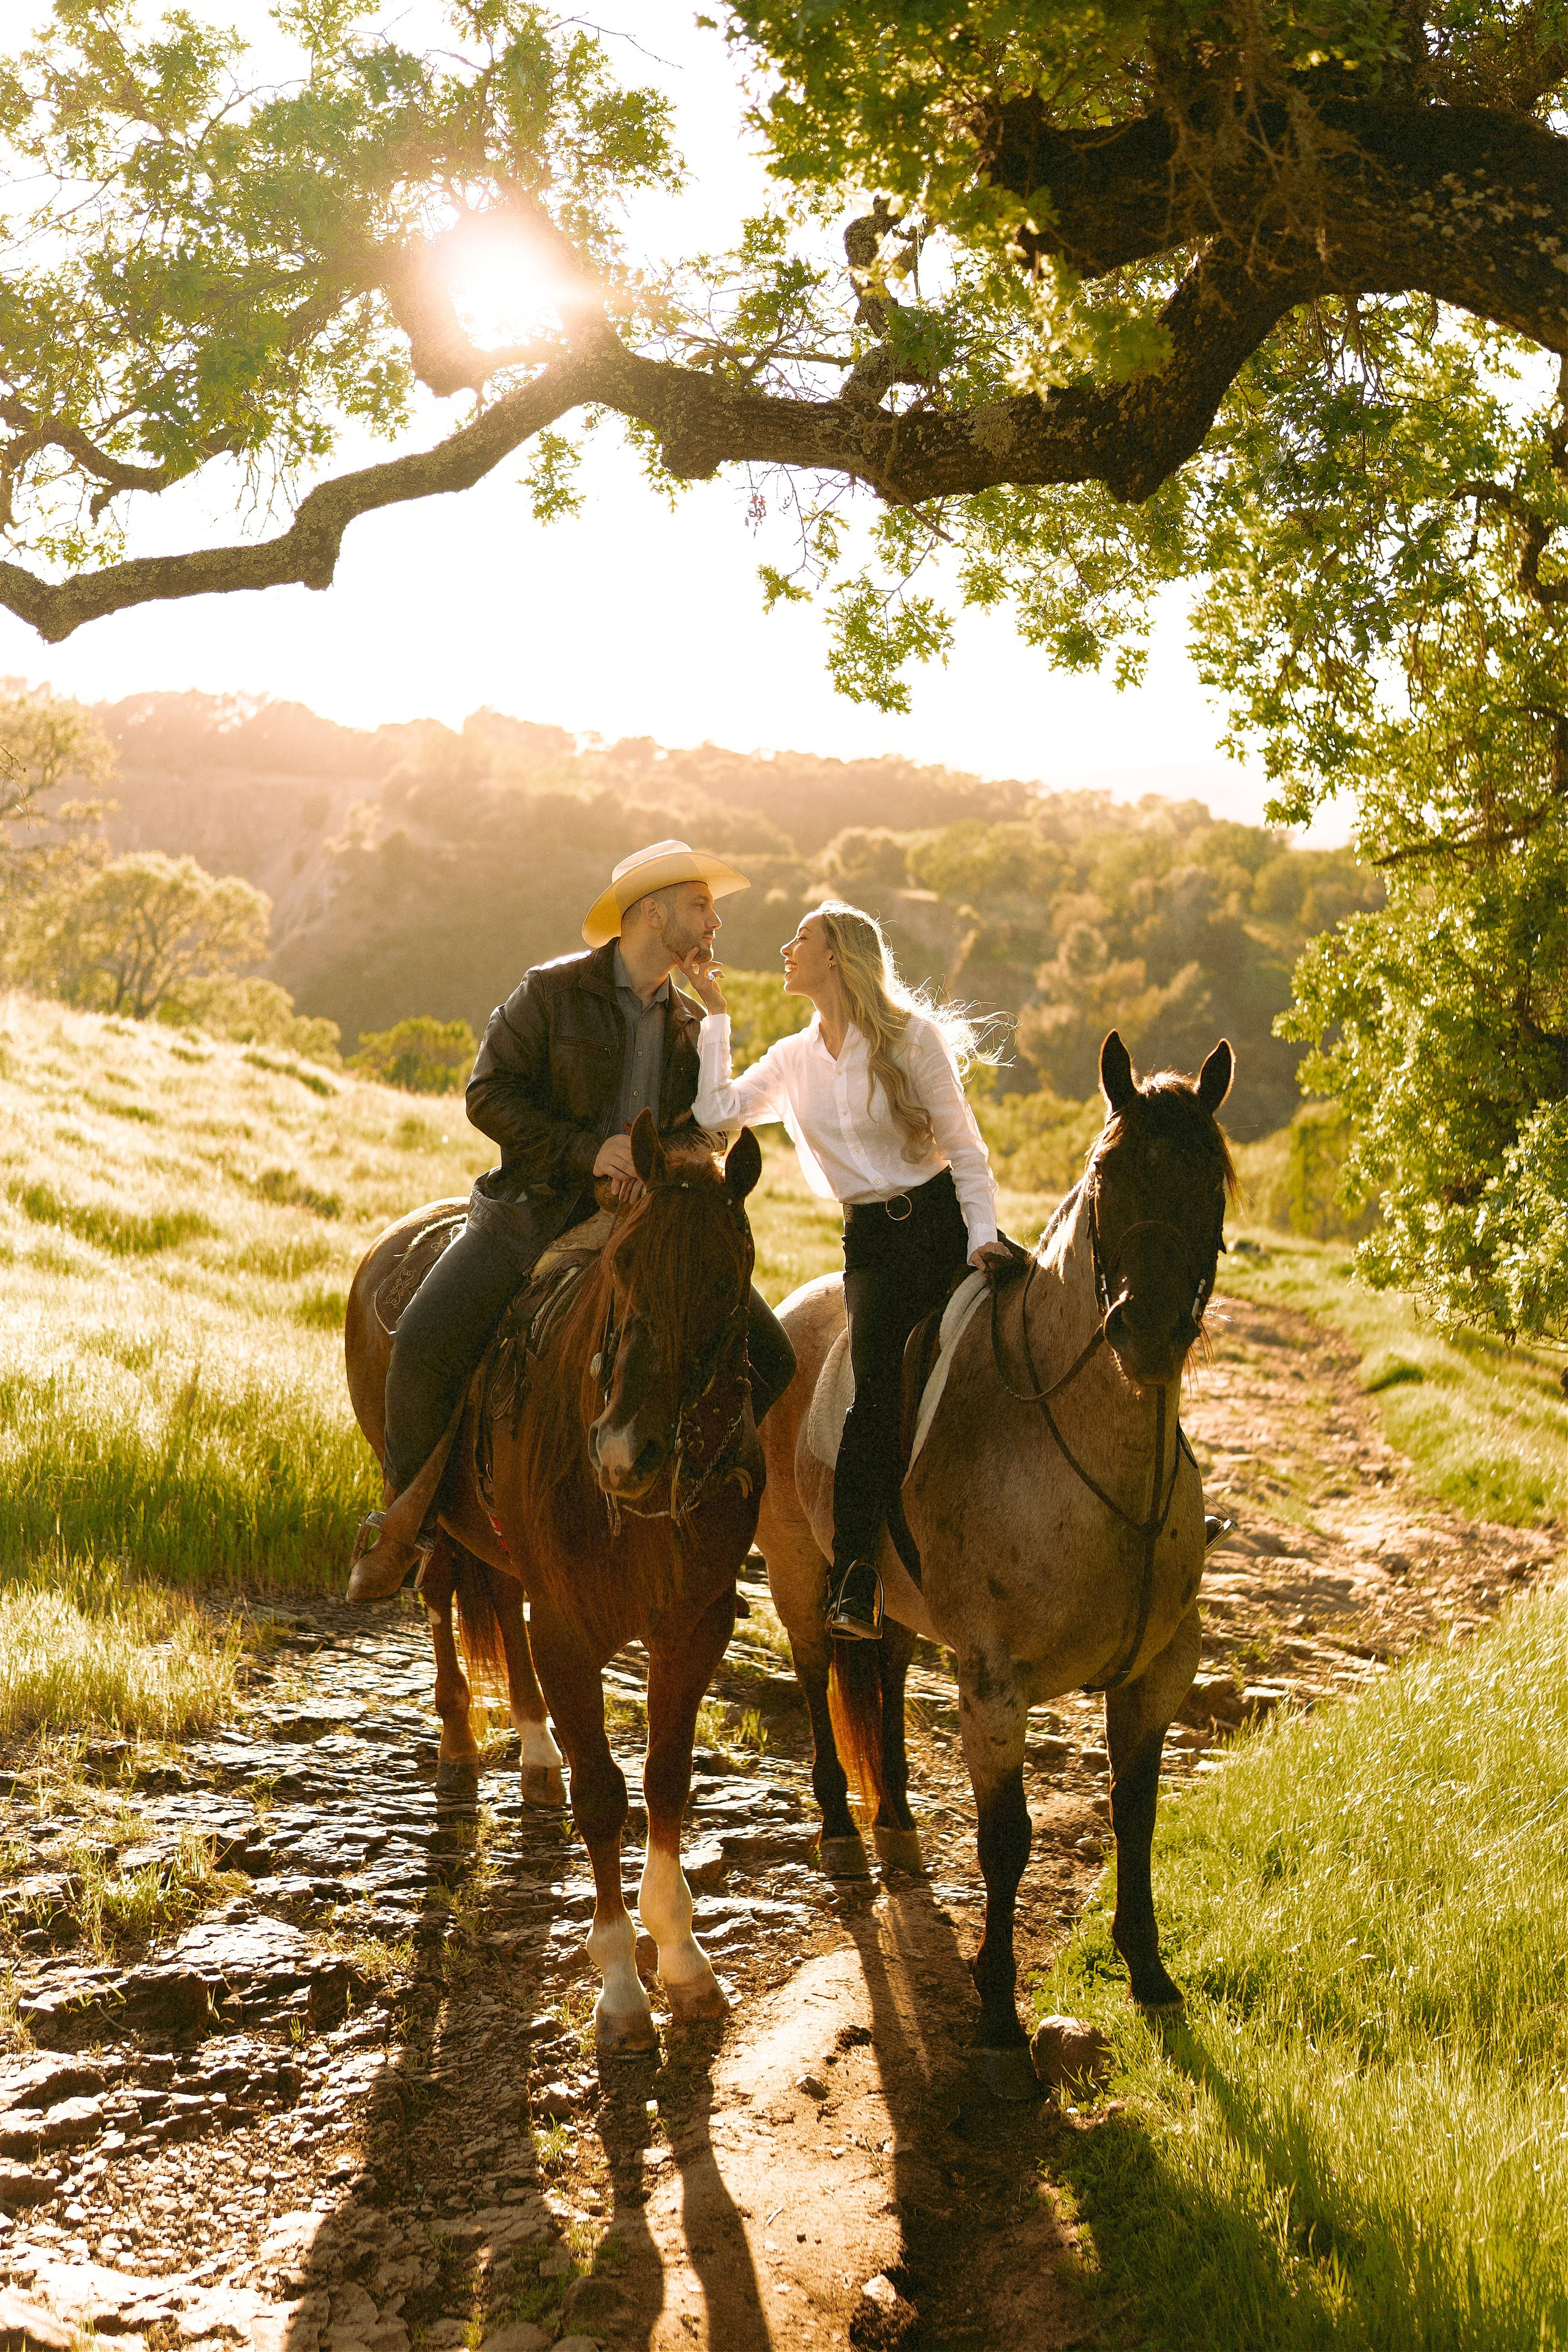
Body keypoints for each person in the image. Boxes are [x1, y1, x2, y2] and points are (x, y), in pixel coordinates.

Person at [347, 839, 798, 1602]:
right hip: (532, 1213)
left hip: (641, 1228)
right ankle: (408, 1525)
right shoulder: (550, 992)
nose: (714, 921)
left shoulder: (690, 1020)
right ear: (651, 913)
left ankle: (688, 1499)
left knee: (774, 1359)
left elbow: (697, 1131)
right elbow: (488, 1095)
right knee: (424, 1341)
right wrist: (593, 1153)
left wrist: (667, 1170)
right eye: (700, 905)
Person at [687, 900, 1009, 1640]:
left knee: (1040, 1331)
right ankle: (859, 1576)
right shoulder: (793, 1059)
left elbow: (964, 1149)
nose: (785, 948)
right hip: (872, 1247)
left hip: (945, 1225)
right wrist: (715, 1013)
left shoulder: (910, 1039)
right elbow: (715, 1112)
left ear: (836, 955)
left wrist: (983, 1237)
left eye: (801, 938)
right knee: (876, 1386)